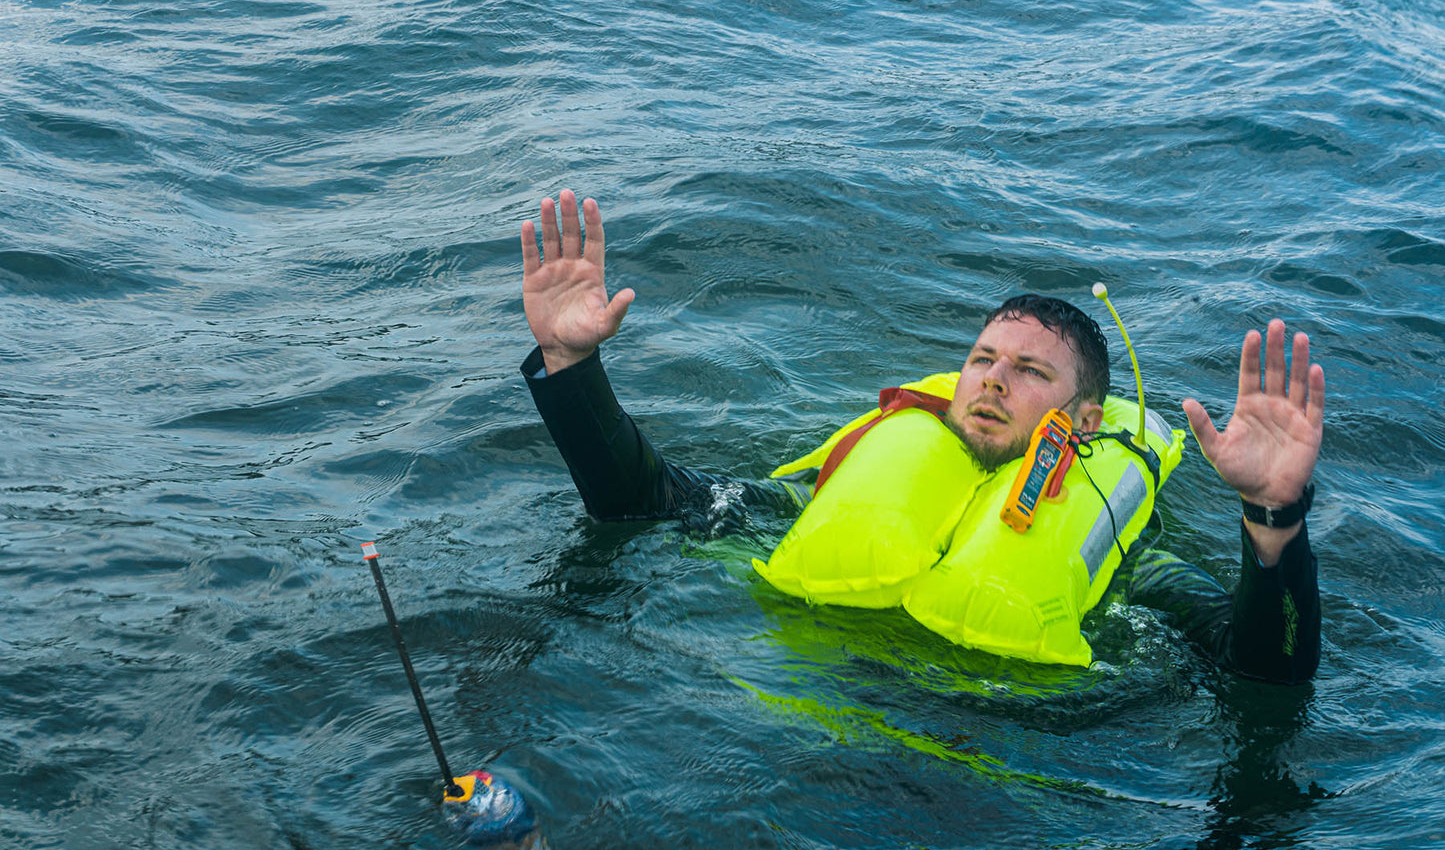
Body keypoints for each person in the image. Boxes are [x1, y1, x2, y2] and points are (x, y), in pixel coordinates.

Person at [518, 190, 1324, 684]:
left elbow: (1262, 670)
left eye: (1030, 371)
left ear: (1083, 421)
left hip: (1000, 778)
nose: (993, 379)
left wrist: (1273, 514)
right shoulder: (826, 491)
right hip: (815, 728)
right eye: (981, 359)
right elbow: (643, 502)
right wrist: (571, 363)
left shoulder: (1120, 557)